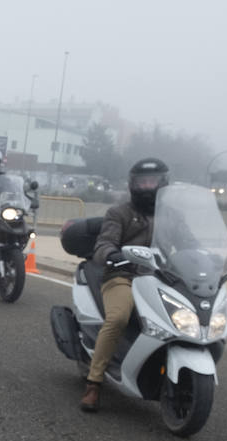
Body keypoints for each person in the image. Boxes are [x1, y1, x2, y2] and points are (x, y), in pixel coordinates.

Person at [80, 158, 170, 412]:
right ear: (133, 184)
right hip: (124, 276)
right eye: (143, 182)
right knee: (118, 318)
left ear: (163, 183)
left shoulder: (171, 216)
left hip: (161, 279)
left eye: (153, 181)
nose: (148, 187)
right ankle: (94, 383)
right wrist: (113, 254)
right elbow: (104, 244)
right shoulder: (119, 213)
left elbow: (189, 242)